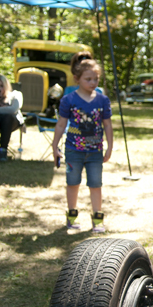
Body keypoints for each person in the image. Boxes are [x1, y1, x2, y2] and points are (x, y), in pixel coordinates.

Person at [52, 59, 113, 232]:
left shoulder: (103, 100)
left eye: (96, 79)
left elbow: (107, 125)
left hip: (95, 152)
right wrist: (54, 146)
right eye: (88, 79)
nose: (93, 82)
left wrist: (109, 147)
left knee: (96, 185)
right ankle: (72, 218)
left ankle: (97, 219)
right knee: (72, 183)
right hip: (73, 151)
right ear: (77, 79)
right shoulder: (68, 100)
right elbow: (61, 124)